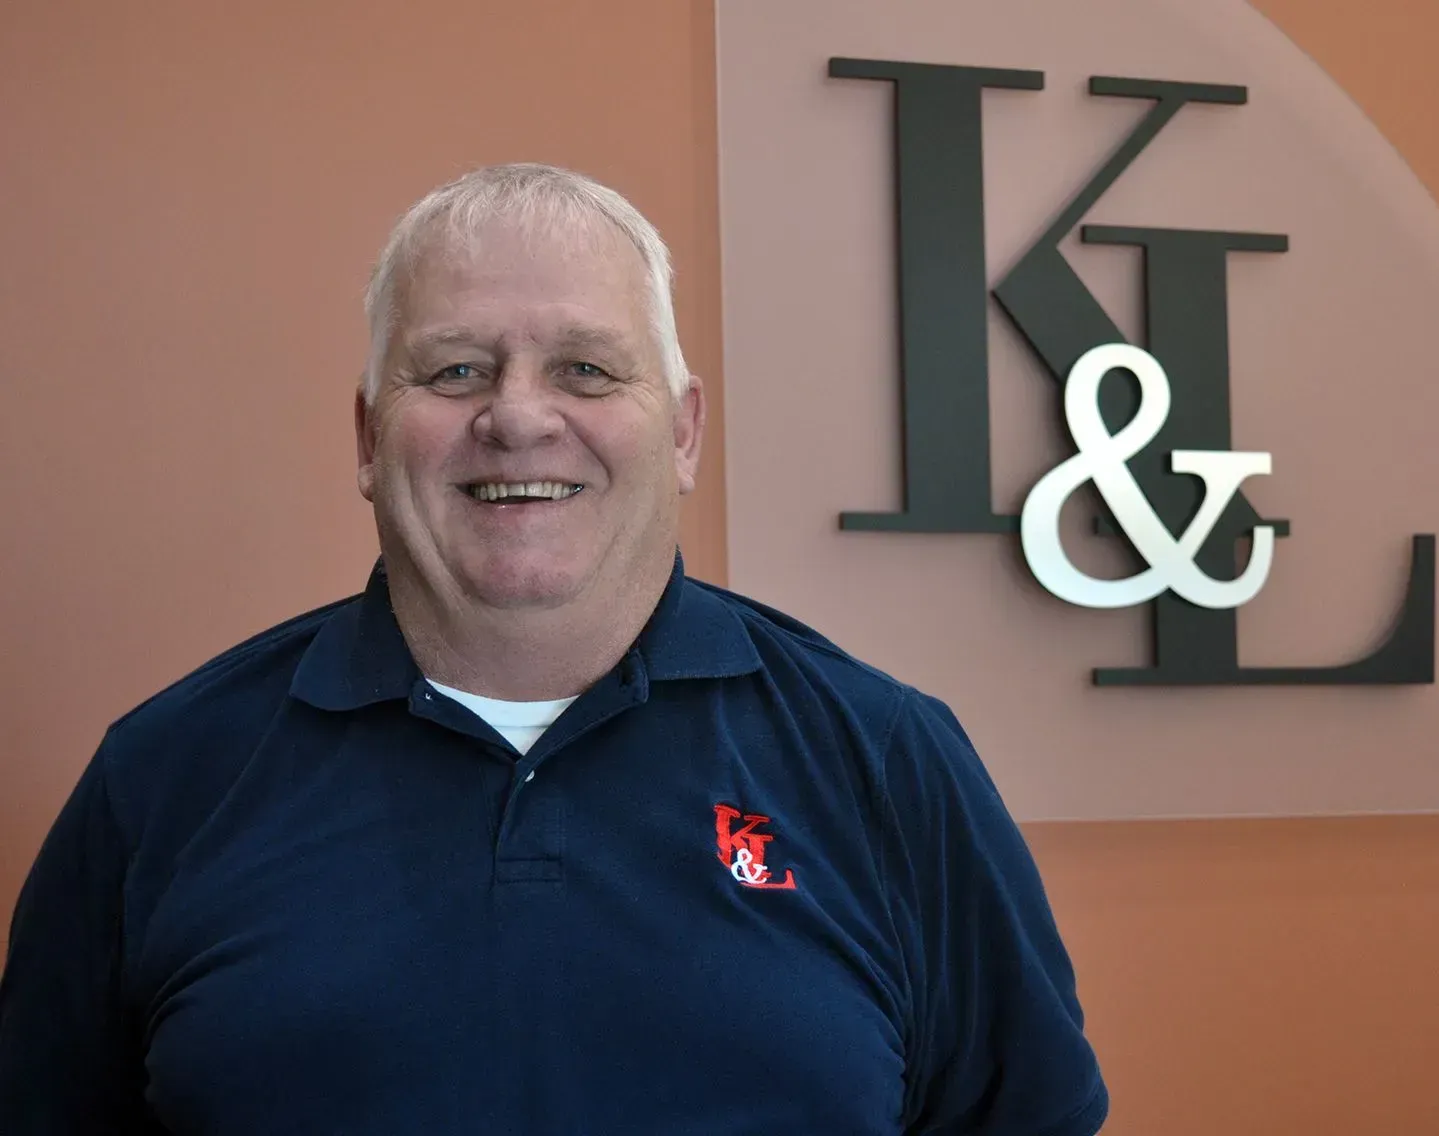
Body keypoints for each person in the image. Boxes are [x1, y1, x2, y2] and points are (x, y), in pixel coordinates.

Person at [0, 163, 1108, 1134]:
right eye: (454, 371)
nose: (518, 418)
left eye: (585, 368)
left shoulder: (887, 761)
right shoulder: (161, 780)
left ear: (682, 430)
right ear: (366, 436)